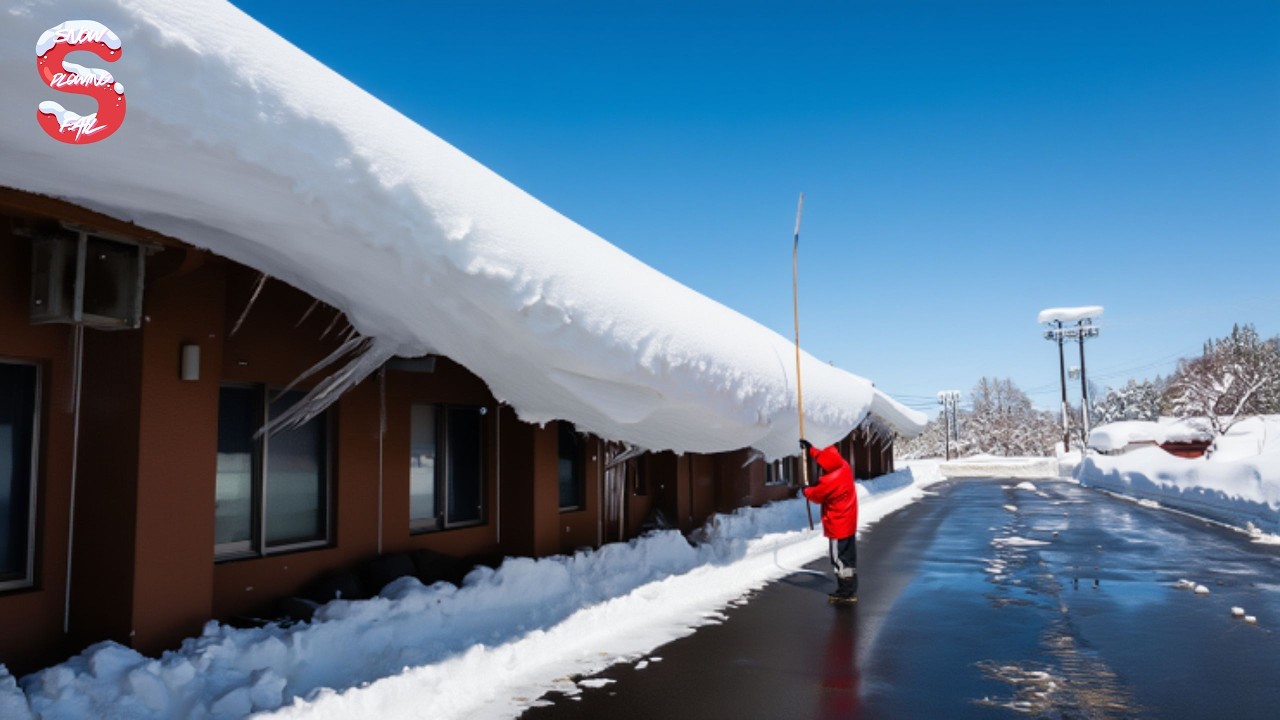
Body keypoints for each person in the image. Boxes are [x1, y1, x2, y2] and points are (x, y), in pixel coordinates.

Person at [799, 438, 858, 603]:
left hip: (837, 525)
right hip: (848, 522)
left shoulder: (830, 480)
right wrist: (811, 449)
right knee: (848, 557)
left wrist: (806, 490)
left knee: (838, 558)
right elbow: (827, 456)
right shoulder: (844, 466)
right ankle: (850, 587)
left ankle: (846, 592)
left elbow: (816, 495)